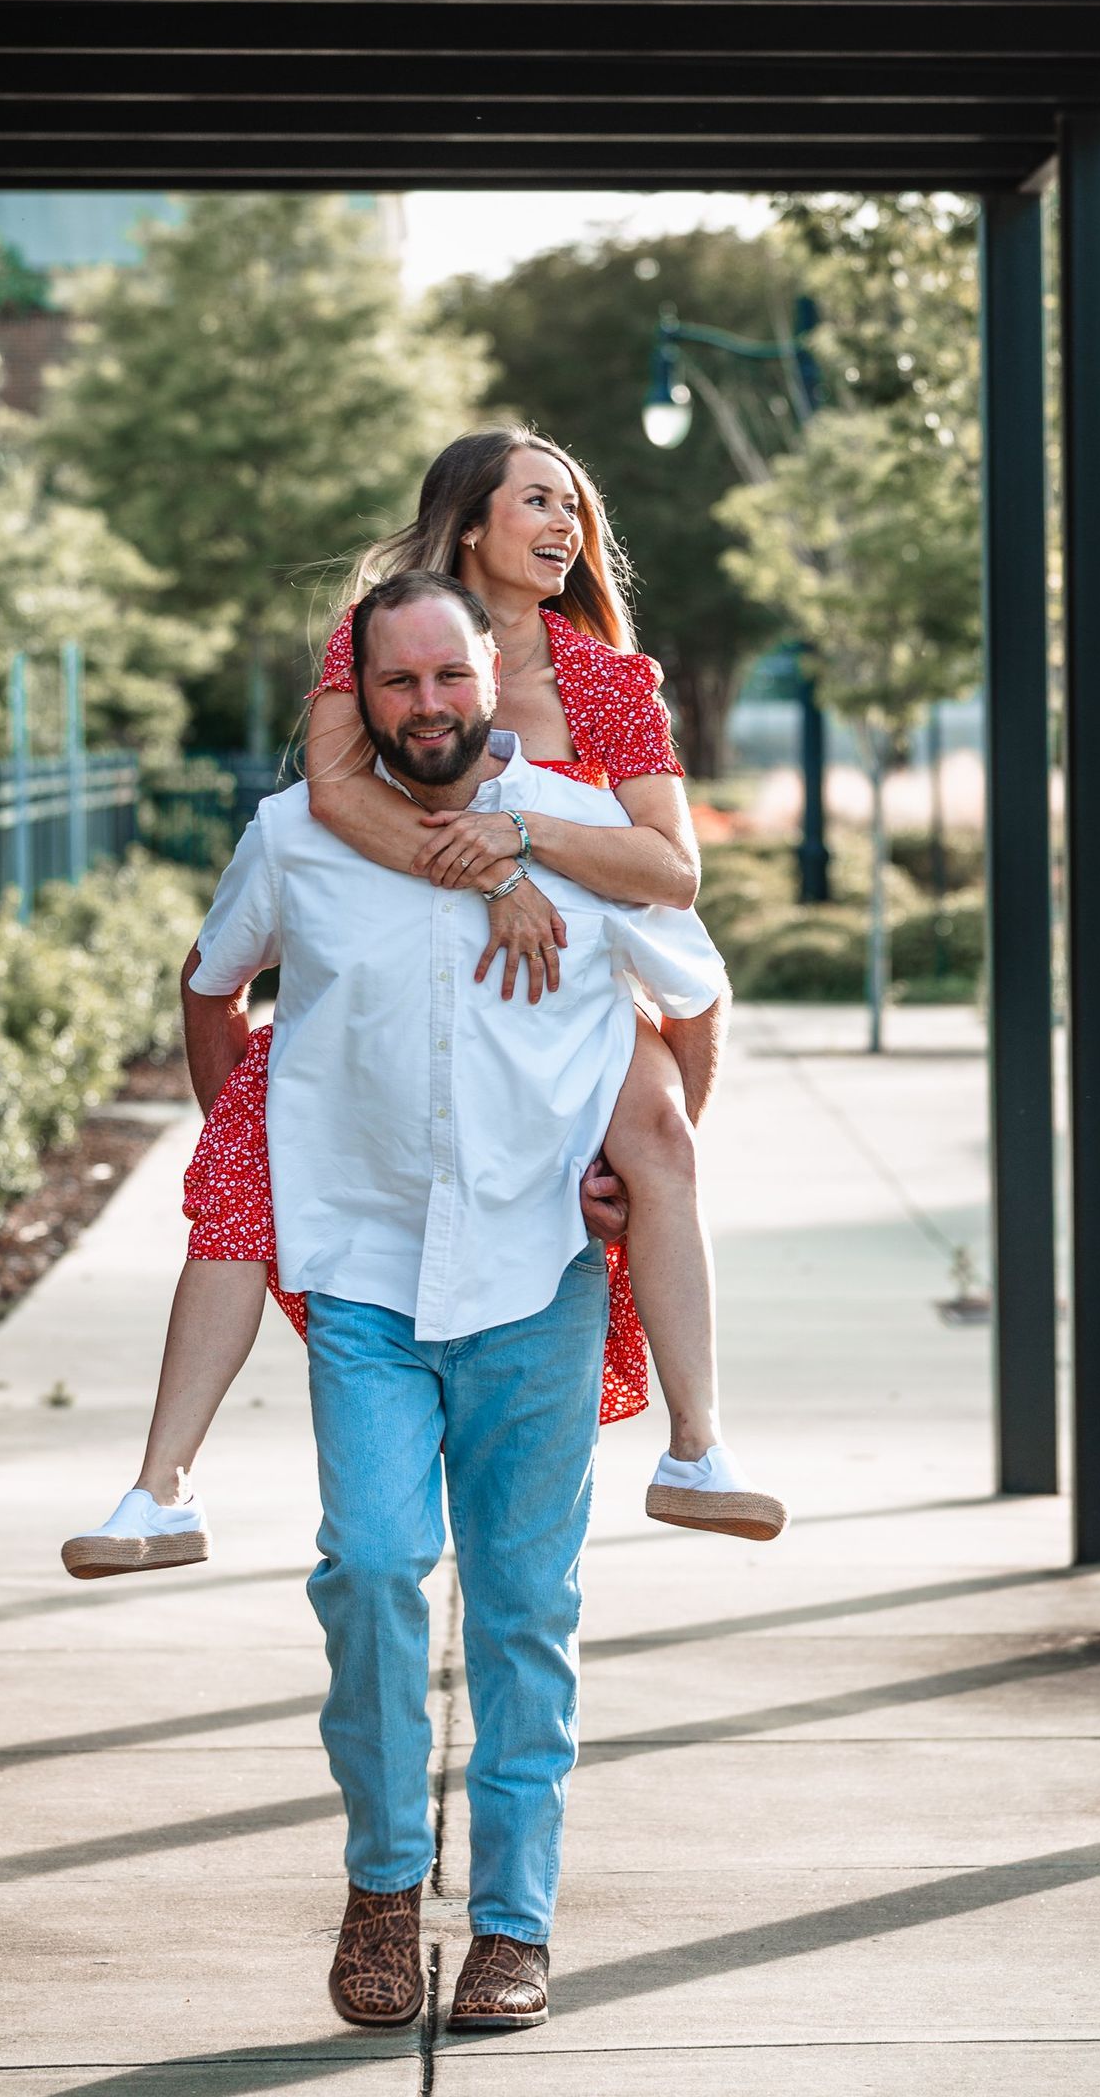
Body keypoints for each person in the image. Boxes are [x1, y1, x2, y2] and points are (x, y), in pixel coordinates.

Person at [170, 572, 738, 2030]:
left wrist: (647, 1164)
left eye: (451, 677)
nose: (428, 705)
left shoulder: (588, 830)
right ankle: (380, 1885)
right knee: (365, 1566)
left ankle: (511, 1924)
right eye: (398, 683)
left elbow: (692, 992)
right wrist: (252, 1147)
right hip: (361, 1275)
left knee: (522, 1610)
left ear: (492, 677)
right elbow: (210, 983)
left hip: (534, 1277)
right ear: (355, 696)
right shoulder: (297, 834)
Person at [63, 427, 782, 1577]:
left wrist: (525, 835)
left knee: (657, 1132)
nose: (568, 528)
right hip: (420, 957)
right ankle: (160, 1488)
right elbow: (339, 804)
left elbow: (671, 871)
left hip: (575, 972)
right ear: (467, 524)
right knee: (251, 1150)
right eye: (539, 502)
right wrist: (492, 875)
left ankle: (696, 1448)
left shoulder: (603, 678)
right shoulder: (383, 648)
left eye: (577, 510)